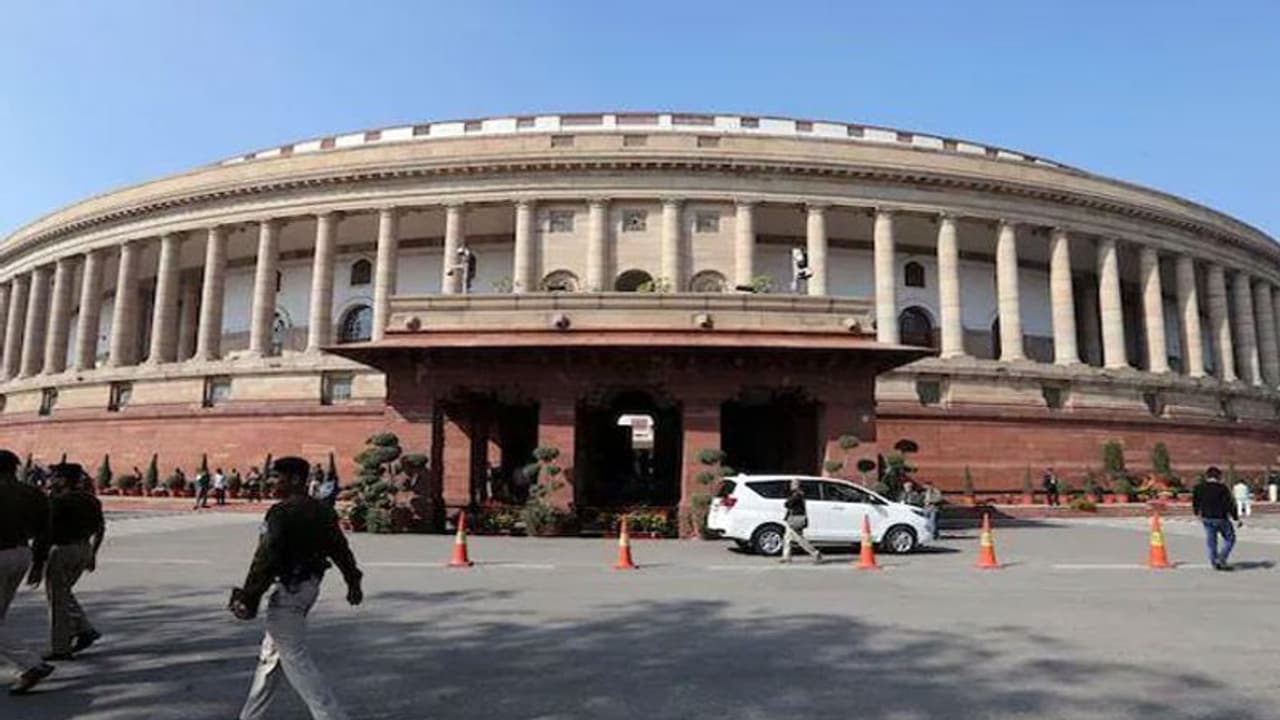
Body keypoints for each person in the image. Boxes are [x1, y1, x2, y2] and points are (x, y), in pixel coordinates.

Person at [230, 457, 364, 720]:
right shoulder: (322, 510)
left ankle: (331, 716)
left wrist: (249, 596)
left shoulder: (281, 513)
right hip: (308, 587)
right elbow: (341, 549)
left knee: (295, 659)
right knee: (271, 658)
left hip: (289, 592)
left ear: (294, 480)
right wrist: (353, 582)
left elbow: (266, 558)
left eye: (277, 478)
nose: (272, 483)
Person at [0, 450, 56, 695]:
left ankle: (32, 664)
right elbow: (45, 531)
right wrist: (38, 564)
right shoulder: (33, 492)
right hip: (22, 554)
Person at [39, 463, 105, 660]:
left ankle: (60, 648)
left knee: (57, 599)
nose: (51, 480)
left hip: (62, 550)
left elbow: (46, 531)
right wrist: (93, 553)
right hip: (83, 548)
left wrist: (37, 559)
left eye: (54, 477)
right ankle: (84, 628)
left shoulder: (59, 501)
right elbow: (100, 529)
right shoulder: (91, 500)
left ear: (63, 480)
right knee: (64, 592)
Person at [1193, 466, 1241, 571]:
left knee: (1211, 541)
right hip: (1221, 517)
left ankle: (1214, 561)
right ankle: (1221, 558)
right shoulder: (1222, 488)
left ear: (1207, 476)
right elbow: (1229, 503)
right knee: (1230, 538)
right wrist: (1236, 518)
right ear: (1218, 476)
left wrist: (1197, 513)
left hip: (1207, 517)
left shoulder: (1199, 487)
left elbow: (1195, 502)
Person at [780, 479, 822, 564]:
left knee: (799, 539)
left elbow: (788, 504)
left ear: (797, 485)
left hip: (795, 518)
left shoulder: (797, 494)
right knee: (787, 538)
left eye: (793, 484)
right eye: (791, 483)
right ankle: (786, 557)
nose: (791, 485)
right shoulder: (798, 493)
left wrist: (788, 501)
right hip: (792, 518)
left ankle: (815, 553)